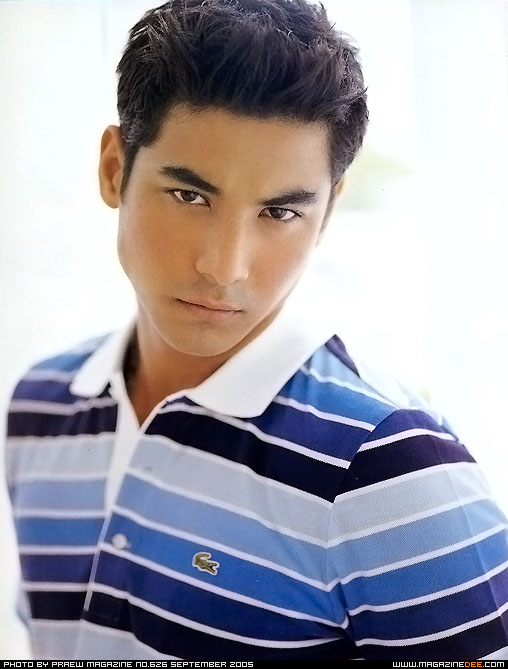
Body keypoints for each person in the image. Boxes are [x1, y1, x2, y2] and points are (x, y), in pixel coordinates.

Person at [4, 0, 508, 661]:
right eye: (190, 196)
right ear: (113, 169)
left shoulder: (392, 470)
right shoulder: (39, 409)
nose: (225, 267)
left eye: (279, 212)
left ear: (328, 212)